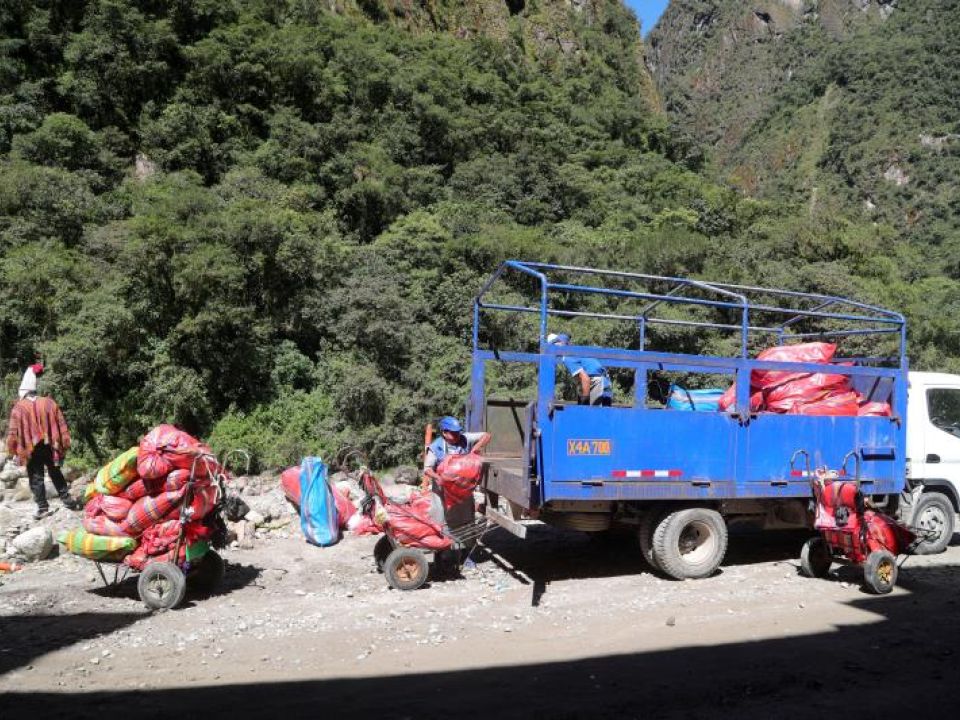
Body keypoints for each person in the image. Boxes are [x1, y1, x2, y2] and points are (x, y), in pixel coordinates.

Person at [6, 365, 79, 519]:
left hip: (31, 448)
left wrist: (12, 449)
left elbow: (13, 432)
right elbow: (60, 423)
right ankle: (68, 500)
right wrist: (63, 440)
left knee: (36, 476)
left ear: (23, 391)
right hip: (50, 444)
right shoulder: (49, 402)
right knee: (55, 470)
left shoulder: (19, 408)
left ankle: (43, 507)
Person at [422, 416, 490, 526]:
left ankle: (466, 538)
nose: (457, 435)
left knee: (465, 515)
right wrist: (437, 478)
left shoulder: (465, 438)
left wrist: (475, 449)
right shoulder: (436, 447)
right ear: (444, 432)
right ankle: (443, 538)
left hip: (462, 487)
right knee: (440, 515)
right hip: (443, 488)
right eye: (454, 433)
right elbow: (427, 469)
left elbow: (486, 435)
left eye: (458, 432)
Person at [547, 332, 613, 406]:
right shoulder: (576, 351)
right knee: (603, 415)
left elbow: (585, 379)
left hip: (597, 384)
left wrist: (584, 401)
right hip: (606, 384)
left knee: (592, 414)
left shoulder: (567, 357)